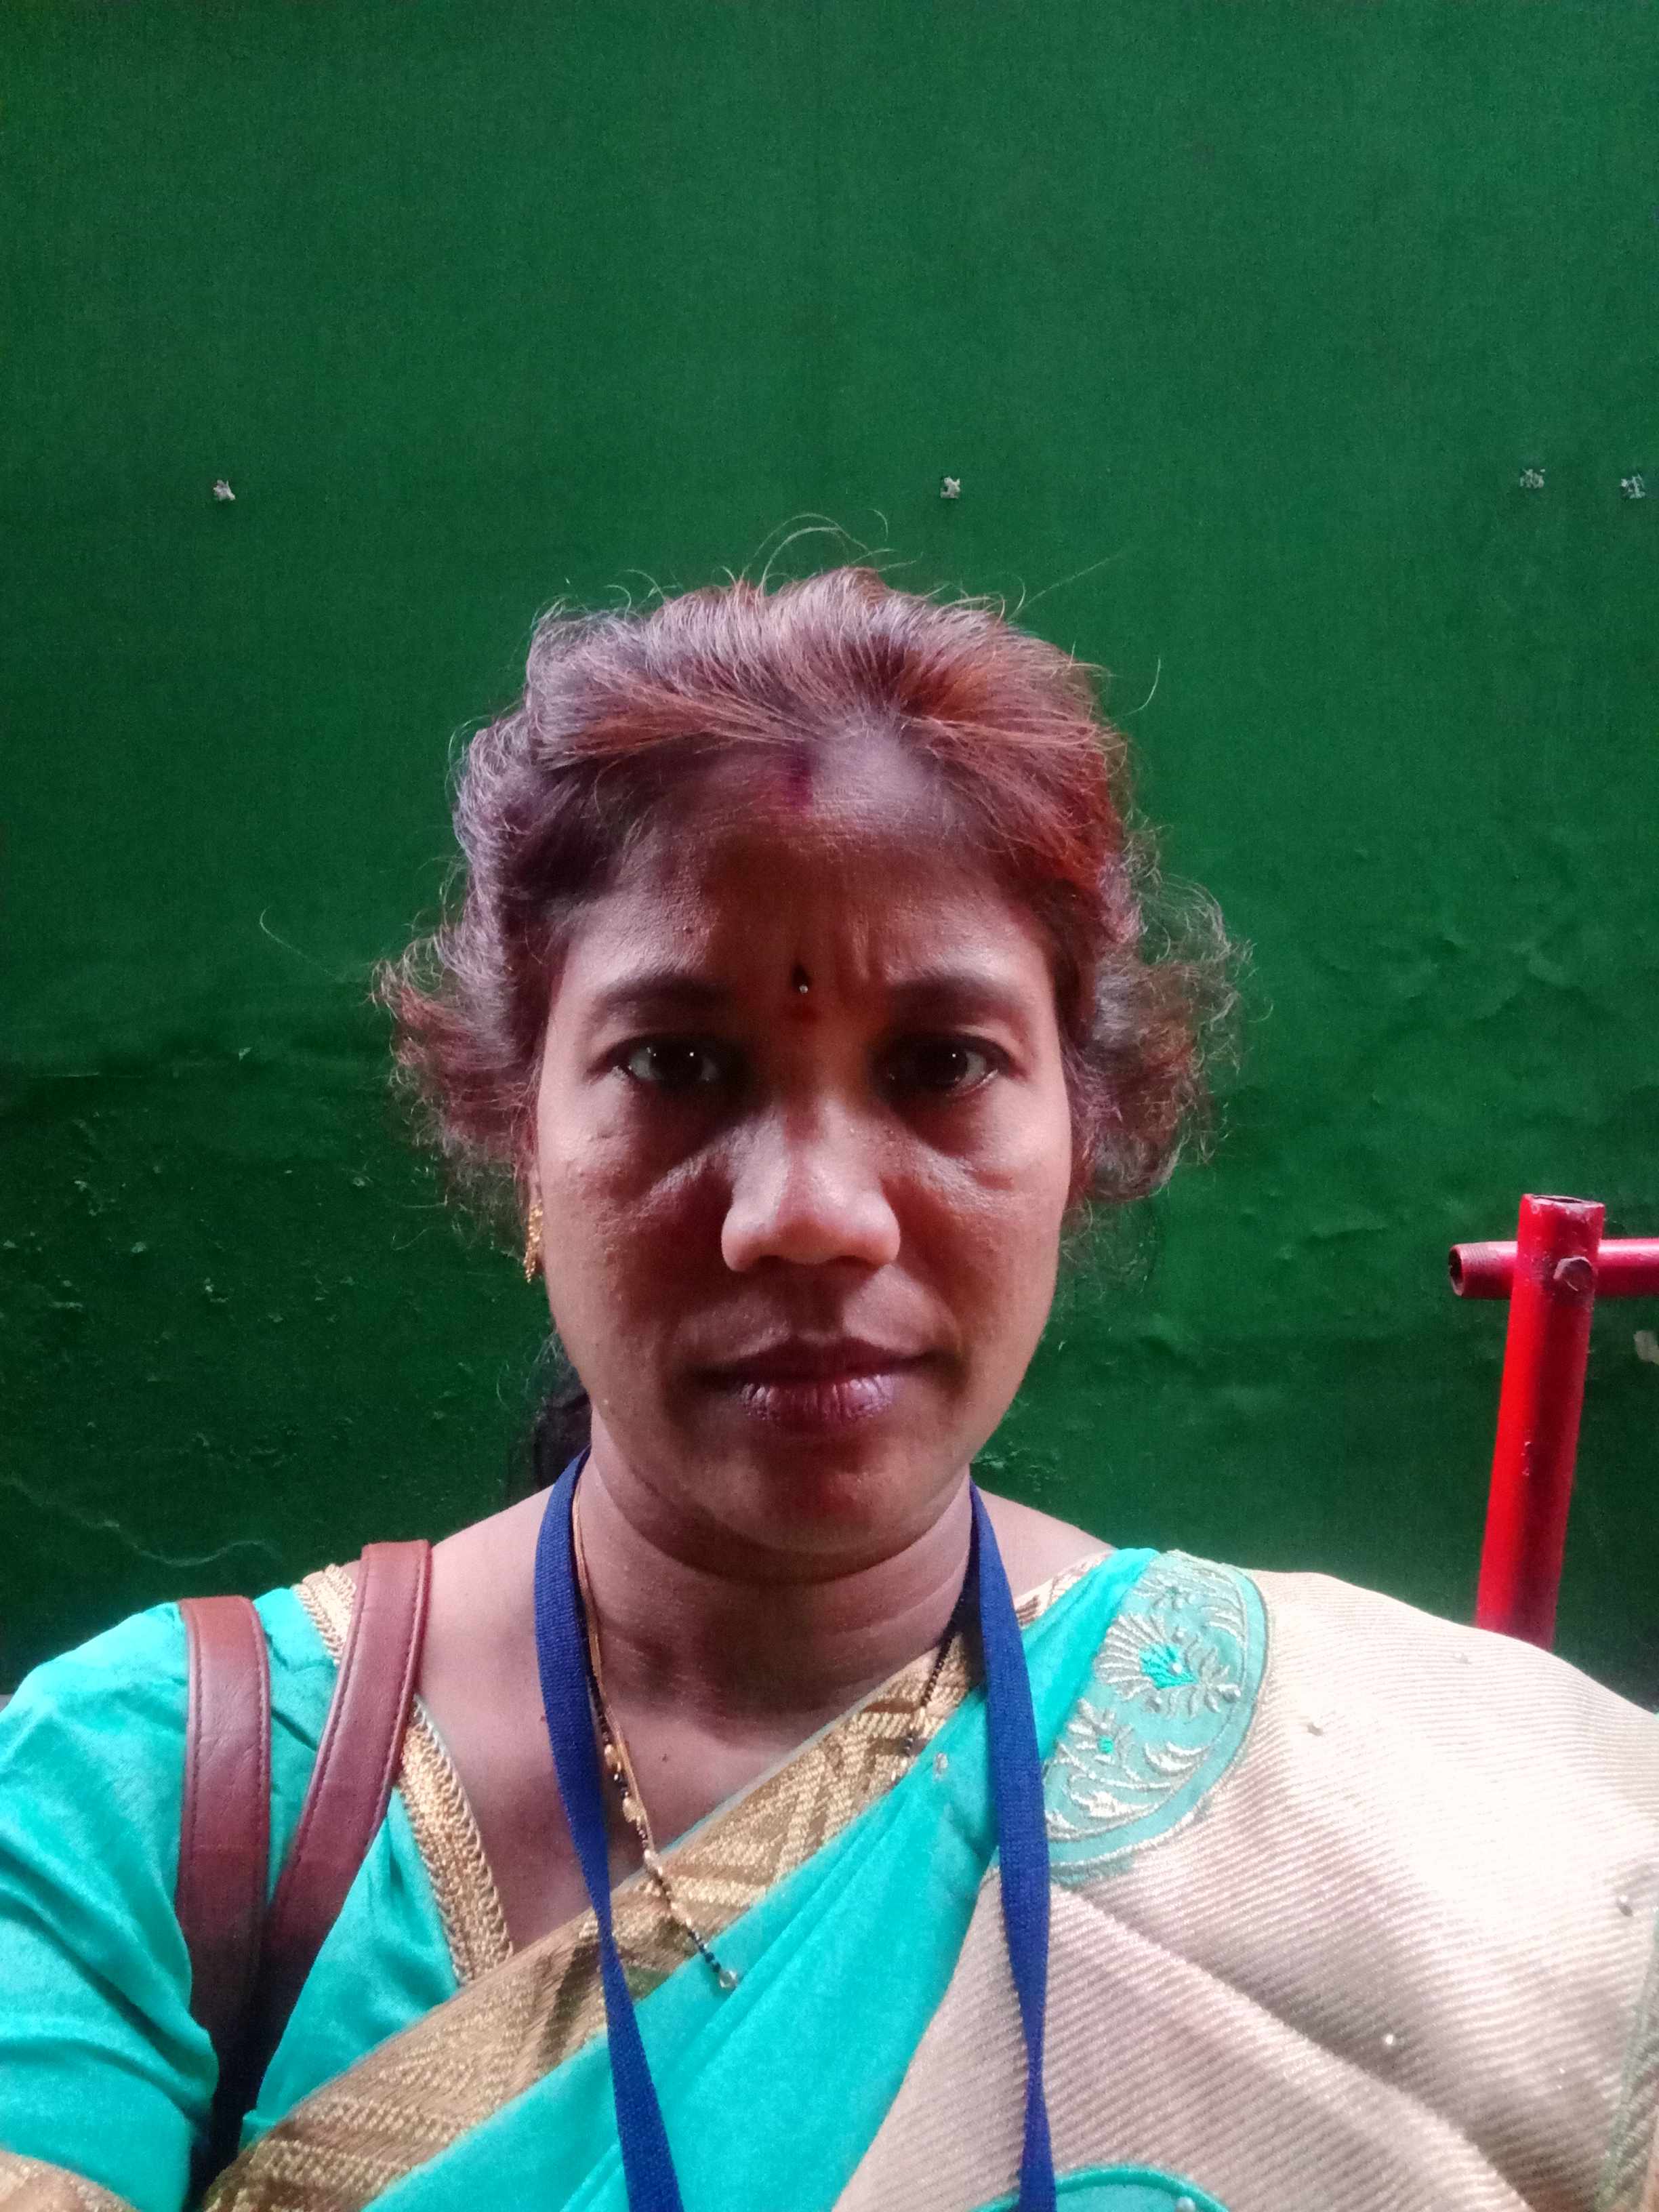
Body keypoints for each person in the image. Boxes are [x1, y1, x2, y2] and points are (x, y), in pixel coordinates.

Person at [0, 569, 1654, 2212]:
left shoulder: (1360, 1800)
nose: (809, 1212)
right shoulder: (147, 1801)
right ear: (522, 1141)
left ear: (1080, 1139)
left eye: (942, 1065)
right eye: (676, 1064)